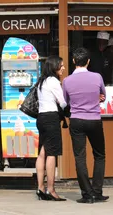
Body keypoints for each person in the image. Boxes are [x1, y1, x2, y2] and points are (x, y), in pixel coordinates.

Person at [63, 47, 108, 204]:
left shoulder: (67, 81)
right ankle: (97, 191)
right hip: (94, 119)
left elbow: (65, 102)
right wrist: (98, 98)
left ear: (74, 61)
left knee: (80, 157)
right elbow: (103, 96)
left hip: (76, 120)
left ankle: (87, 194)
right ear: (88, 61)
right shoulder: (97, 77)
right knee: (99, 155)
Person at [34, 56, 68, 201]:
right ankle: (51, 190)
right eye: (61, 65)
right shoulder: (54, 81)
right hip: (51, 118)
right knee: (52, 154)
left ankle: (40, 188)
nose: (63, 68)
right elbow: (63, 102)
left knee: (42, 152)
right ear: (54, 66)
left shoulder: (41, 81)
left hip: (41, 118)